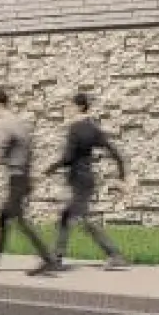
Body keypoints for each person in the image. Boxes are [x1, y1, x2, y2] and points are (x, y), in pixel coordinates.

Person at [44, 91, 129, 271]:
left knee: (83, 219)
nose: (67, 109)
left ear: (79, 107)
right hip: (87, 179)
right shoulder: (93, 128)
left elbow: (67, 158)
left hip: (79, 179)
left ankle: (114, 254)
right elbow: (116, 154)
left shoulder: (75, 128)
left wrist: (48, 169)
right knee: (67, 216)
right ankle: (56, 257)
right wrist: (122, 178)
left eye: (70, 106)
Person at [0, 88, 59, 275]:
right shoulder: (20, 123)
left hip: (17, 177)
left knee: (19, 220)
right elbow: (30, 152)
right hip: (22, 176)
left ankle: (48, 259)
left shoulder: (3, 124)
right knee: (4, 216)